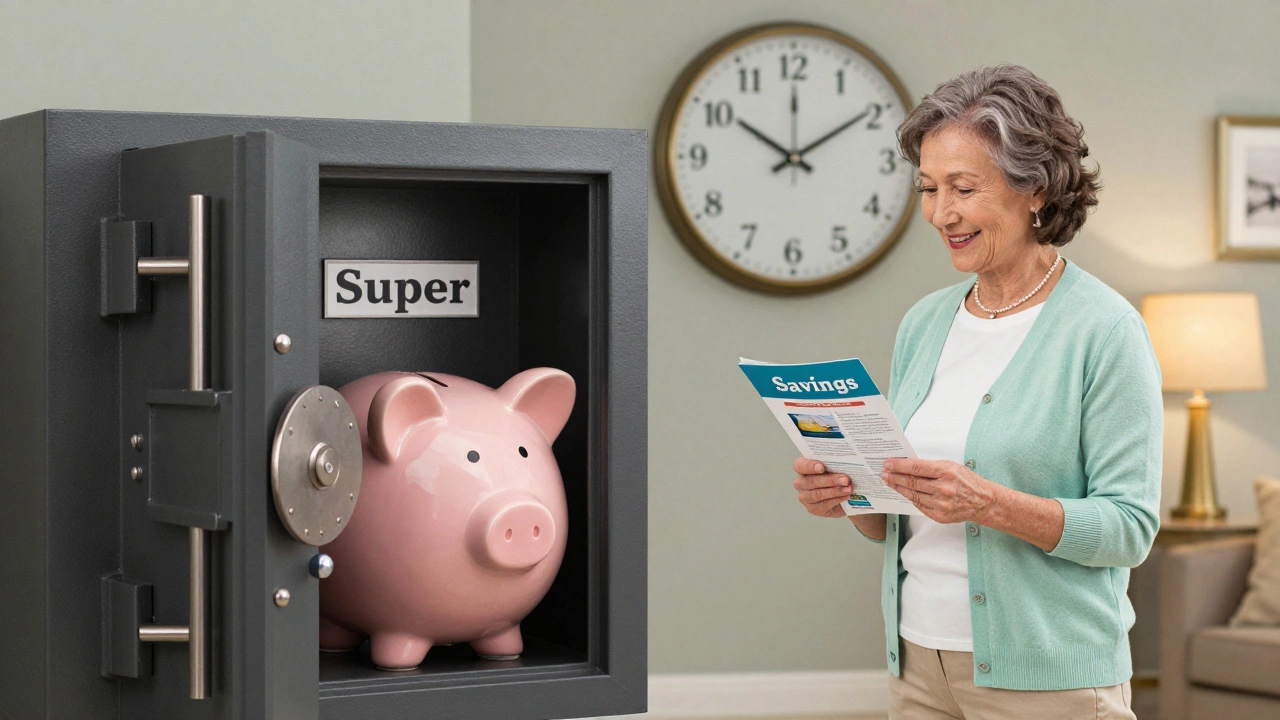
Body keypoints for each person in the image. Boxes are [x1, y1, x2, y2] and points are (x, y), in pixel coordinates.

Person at [791, 65, 1161, 719]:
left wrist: (987, 502)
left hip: (1049, 680)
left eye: (964, 188)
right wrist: (849, 496)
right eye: (929, 188)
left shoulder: (1105, 330)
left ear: (1036, 190)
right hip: (917, 667)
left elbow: (1128, 530)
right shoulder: (925, 322)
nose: (941, 213)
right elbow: (895, 522)